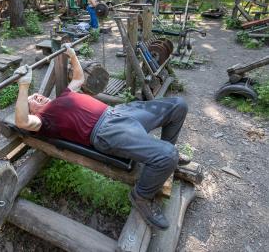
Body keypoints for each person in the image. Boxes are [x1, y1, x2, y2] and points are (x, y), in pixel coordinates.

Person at [14, 44, 191, 230]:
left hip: (119, 113)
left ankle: (161, 161)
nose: (38, 97)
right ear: (31, 110)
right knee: (168, 154)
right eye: (32, 100)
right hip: (106, 131)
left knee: (178, 106)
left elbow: (79, 78)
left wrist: (72, 56)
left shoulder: (63, 95)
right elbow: (22, 122)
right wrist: (24, 86)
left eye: (37, 94)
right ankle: (142, 196)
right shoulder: (43, 120)